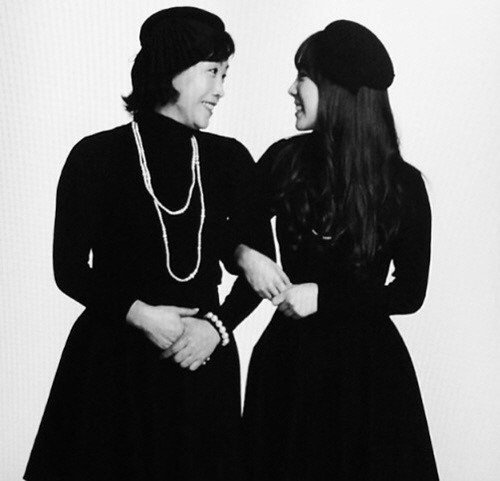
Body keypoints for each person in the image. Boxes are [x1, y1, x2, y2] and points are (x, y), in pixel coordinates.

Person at [24, 7, 273, 481]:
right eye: (212, 72)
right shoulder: (95, 156)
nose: (221, 89)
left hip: (200, 366)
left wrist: (216, 328)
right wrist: (140, 314)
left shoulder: (231, 160)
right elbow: (68, 269)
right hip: (112, 367)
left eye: (225, 74)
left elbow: (259, 269)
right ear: (172, 70)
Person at [240, 20, 440, 480]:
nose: (291, 89)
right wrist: (246, 256)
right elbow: (230, 223)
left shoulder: (403, 184)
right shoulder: (284, 160)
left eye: (303, 77)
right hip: (289, 368)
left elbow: (409, 293)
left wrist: (323, 297)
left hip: (366, 376)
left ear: (335, 89)